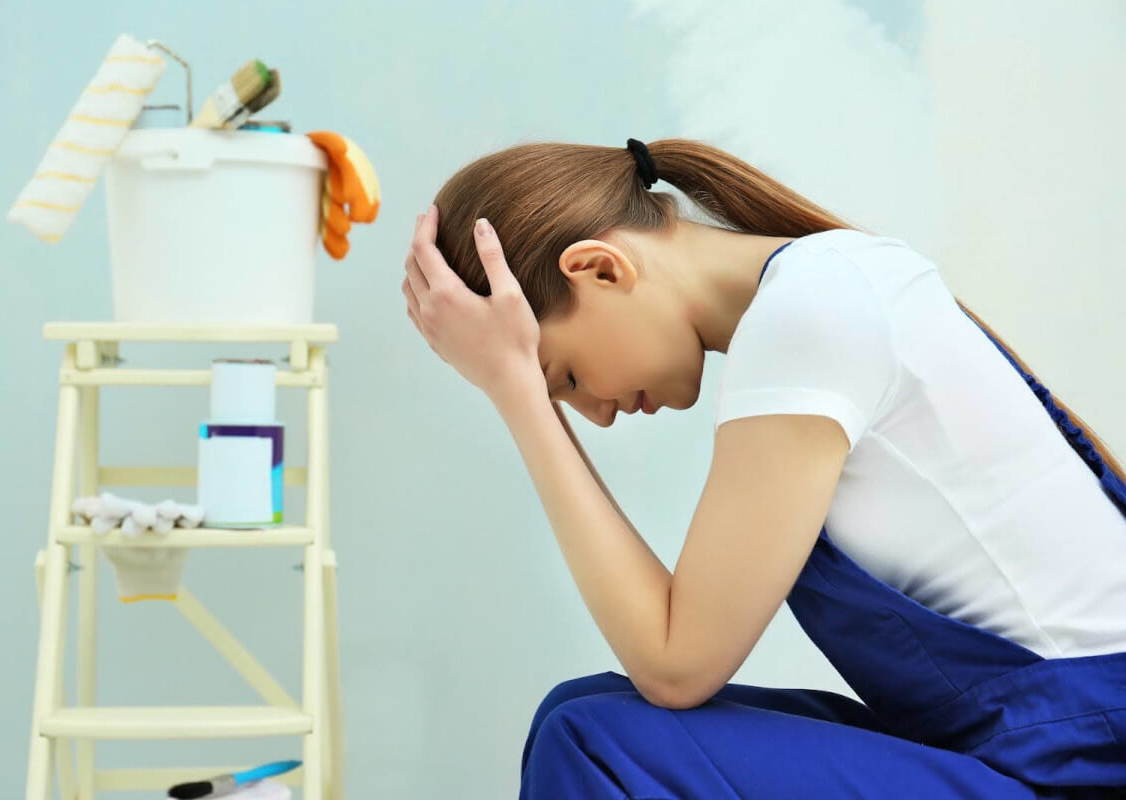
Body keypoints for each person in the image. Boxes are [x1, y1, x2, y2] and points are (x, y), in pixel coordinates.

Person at [400, 137, 1126, 798]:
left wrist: (516, 395)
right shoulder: (828, 285)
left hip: (1081, 760)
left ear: (599, 268)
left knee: (594, 742)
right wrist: (524, 383)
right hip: (1038, 740)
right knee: (580, 709)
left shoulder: (809, 316)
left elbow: (675, 665)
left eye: (564, 377)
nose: (593, 413)